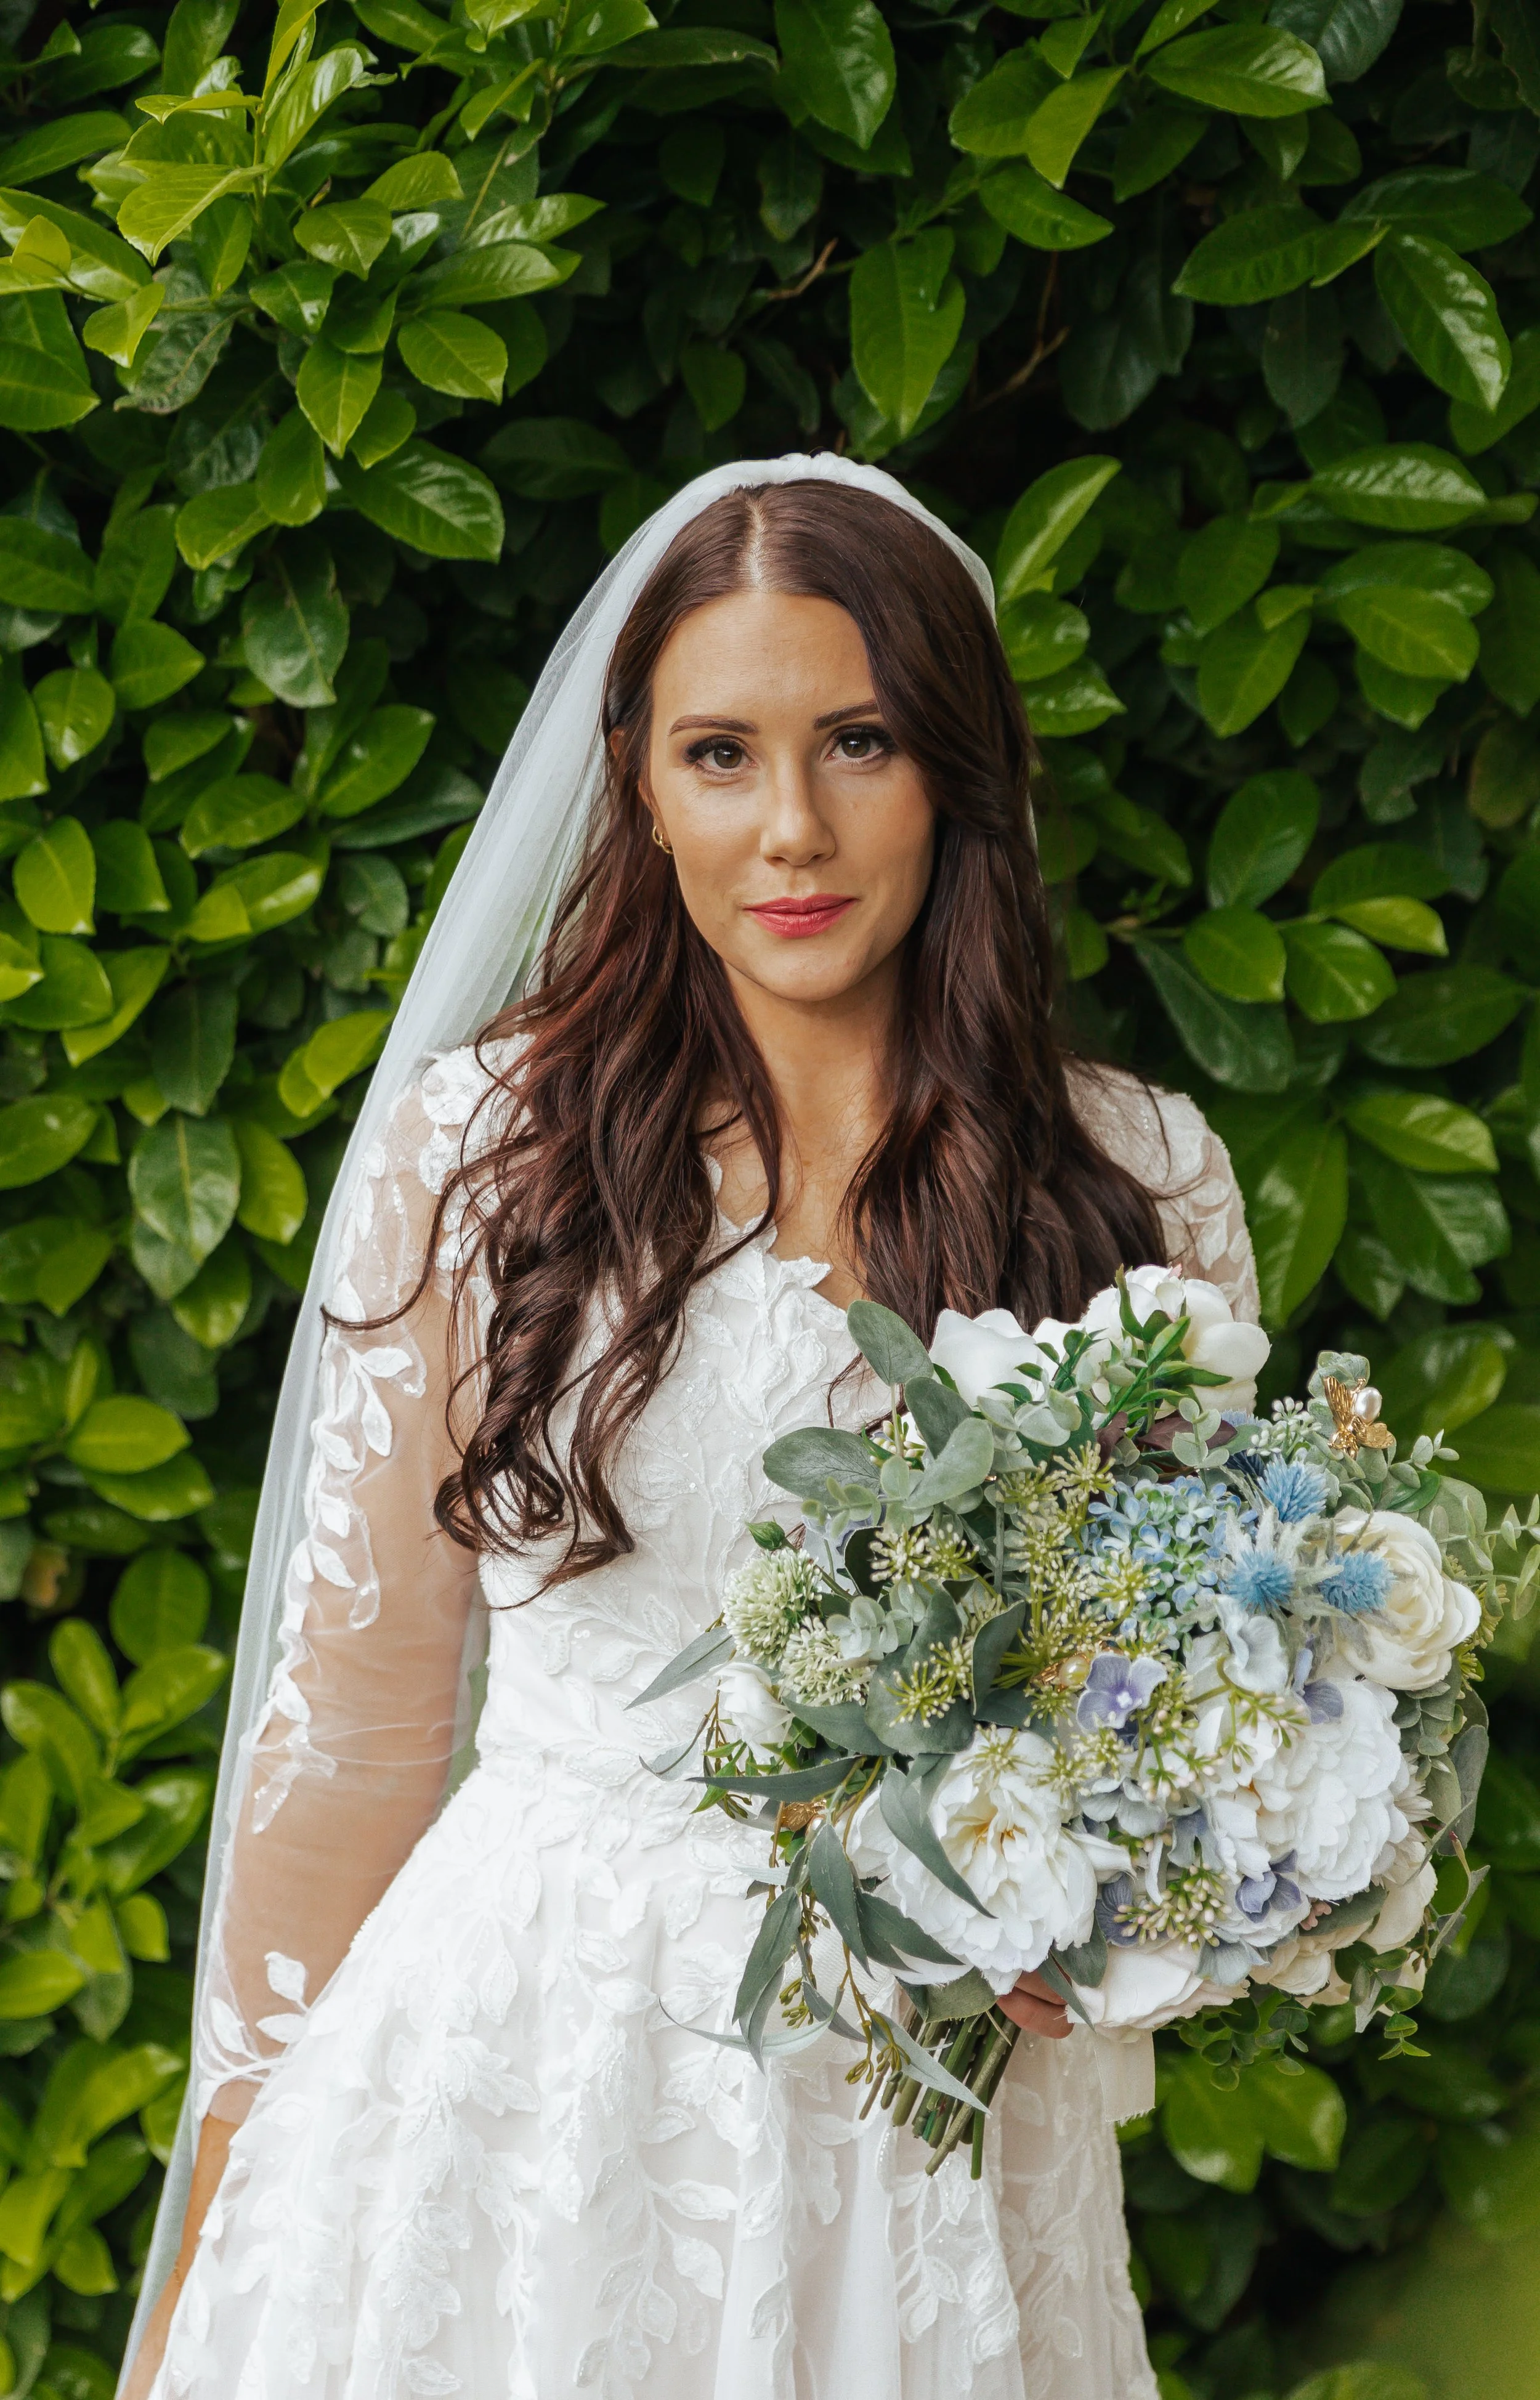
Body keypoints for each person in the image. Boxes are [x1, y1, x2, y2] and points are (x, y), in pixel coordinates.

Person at [121, 457, 1258, 2400]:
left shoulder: (1139, 1185)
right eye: (720, 754)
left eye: (860, 743)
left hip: (936, 2098)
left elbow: (1177, 1716)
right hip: (527, 2086)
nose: (790, 830)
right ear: (637, 787)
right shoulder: (488, 1156)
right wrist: (227, 2216)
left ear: (957, 771)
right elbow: (354, 1734)